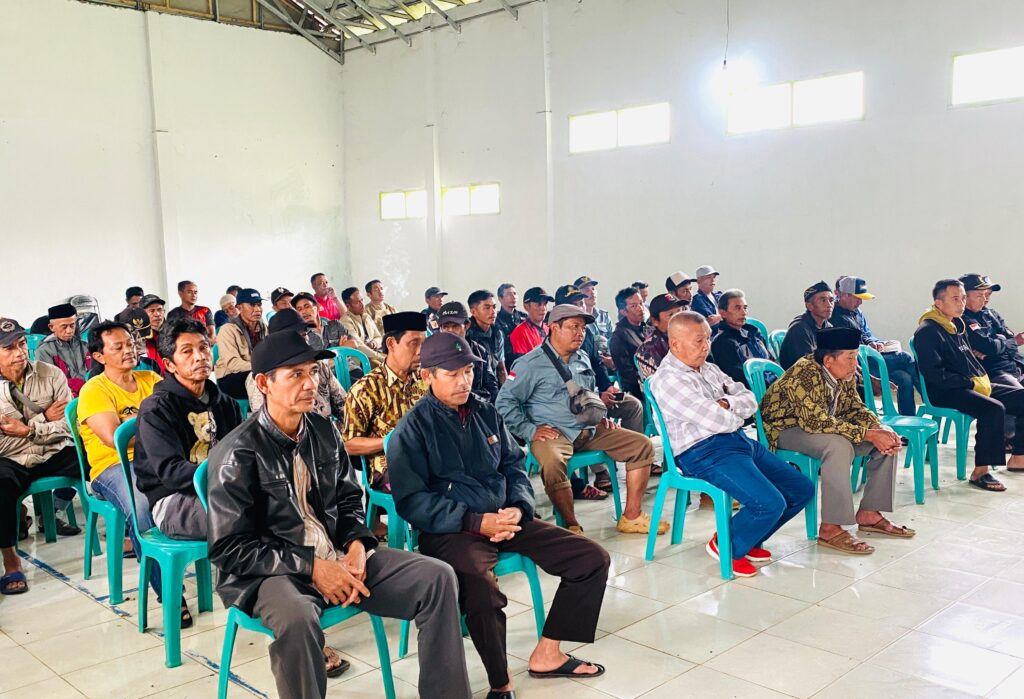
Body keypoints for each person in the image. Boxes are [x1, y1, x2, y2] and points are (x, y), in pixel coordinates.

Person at [206, 331, 471, 699]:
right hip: (272, 573)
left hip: (337, 554)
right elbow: (230, 548)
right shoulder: (236, 453)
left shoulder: (323, 430)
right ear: (264, 384)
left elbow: (348, 501)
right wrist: (312, 567)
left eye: (312, 372)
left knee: (437, 578)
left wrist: (358, 544)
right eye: (295, 374)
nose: (310, 384)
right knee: (297, 619)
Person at [388, 332, 610, 696]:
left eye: (468, 372)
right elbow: (412, 500)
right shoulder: (411, 429)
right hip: (452, 530)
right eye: (452, 374)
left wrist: (518, 509)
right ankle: (500, 681)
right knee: (481, 590)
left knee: (591, 558)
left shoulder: (485, 411)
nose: (464, 381)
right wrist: (476, 522)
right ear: (427, 376)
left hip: (505, 518)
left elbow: (512, 466)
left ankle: (548, 653)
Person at [650, 312, 814, 577]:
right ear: (675, 344)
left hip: (737, 441)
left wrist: (727, 403)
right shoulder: (669, 380)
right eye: (699, 340)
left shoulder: (709, 368)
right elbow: (717, 420)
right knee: (769, 503)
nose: (706, 346)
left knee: (800, 489)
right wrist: (734, 413)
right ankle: (729, 545)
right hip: (702, 452)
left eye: (708, 339)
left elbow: (749, 399)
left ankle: (746, 539)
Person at [496, 304, 665, 536]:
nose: (580, 333)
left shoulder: (582, 357)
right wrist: (530, 430)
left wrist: (599, 416)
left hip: (588, 429)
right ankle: (571, 525)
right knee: (553, 463)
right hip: (554, 433)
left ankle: (631, 516)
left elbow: (587, 394)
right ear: (554, 328)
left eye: (583, 328)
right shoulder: (530, 364)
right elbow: (504, 402)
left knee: (642, 445)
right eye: (574, 327)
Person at [761, 327, 911, 555]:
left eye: (856, 356)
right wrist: (868, 433)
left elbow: (854, 408)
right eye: (850, 357)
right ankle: (830, 527)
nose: (855, 363)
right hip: (786, 428)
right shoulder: (804, 373)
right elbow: (814, 422)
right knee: (838, 446)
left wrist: (878, 428)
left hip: (822, 425)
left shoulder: (843, 373)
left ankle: (870, 513)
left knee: (885, 439)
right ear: (828, 360)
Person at [77, 322, 179, 614]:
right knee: (143, 503)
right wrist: (158, 427)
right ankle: (168, 592)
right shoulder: (94, 390)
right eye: (118, 347)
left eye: (131, 343)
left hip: (156, 457)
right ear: (99, 356)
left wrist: (148, 428)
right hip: (114, 466)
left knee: (203, 484)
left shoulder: (150, 378)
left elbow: (178, 416)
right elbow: (115, 438)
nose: (129, 350)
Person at [135, 318, 242, 541]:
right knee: (250, 516)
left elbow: (243, 451)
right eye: (187, 351)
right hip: (173, 500)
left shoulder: (226, 403)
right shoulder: (156, 409)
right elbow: (172, 473)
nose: (200, 356)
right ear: (170, 365)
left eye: (204, 347)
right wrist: (230, 475)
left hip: (224, 489)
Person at [914, 279, 1024, 492]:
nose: (961, 303)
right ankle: (980, 472)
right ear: (938, 303)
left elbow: (967, 360)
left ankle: (1019, 456)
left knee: (1021, 397)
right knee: (992, 408)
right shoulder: (928, 331)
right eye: (955, 299)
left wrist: (977, 378)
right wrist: (969, 382)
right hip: (945, 391)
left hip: (968, 383)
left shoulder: (957, 324)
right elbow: (935, 374)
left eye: (963, 298)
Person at [0, 319, 81, 595]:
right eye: (9, 348)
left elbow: (69, 425)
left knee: (94, 458)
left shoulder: (51, 374)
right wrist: (45, 418)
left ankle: (128, 531)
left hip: (52, 451)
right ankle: (11, 560)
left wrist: (28, 429)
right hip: (12, 459)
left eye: (22, 344)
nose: (19, 353)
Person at [558, 285, 647, 493]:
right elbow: (566, 387)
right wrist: (597, 397)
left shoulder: (586, 333)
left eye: (581, 303)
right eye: (574, 305)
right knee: (591, 413)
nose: (580, 308)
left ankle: (633, 460)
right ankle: (601, 471)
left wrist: (607, 387)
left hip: (596, 395)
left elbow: (597, 365)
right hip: (575, 406)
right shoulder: (553, 345)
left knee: (633, 406)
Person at [342, 312, 427, 494]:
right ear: (391, 344)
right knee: (424, 487)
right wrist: (391, 441)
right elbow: (349, 444)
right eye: (414, 343)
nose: (421, 351)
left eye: (424, 343)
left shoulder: (426, 380)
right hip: (390, 467)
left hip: (429, 456)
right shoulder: (366, 389)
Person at [831, 276, 920, 416]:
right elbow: (846, 349)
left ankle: (908, 421)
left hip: (870, 361)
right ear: (844, 295)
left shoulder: (857, 312)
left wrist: (873, 343)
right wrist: (866, 347)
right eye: (857, 298)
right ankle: (931, 397)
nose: (860, 302)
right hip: (859, 367)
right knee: (904, 358)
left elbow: (866, 334)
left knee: (904, 378)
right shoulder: (834, 316)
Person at [247, 310, 347, 421]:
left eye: (304, 334)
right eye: (296, 374)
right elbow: (266, 423)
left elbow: (344, 406)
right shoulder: (265, 378)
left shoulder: (319, 366)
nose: (311, 384)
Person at [960, 273, 1024, 389]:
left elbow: (1009, 336)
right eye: (980, 295)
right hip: (997, 372)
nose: (985, 299)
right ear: (964, 297)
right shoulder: (962, 320)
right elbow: (990, 347)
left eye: (988, 294)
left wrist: (999, 343)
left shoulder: (989, 313)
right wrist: (1010, 342)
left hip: (1016, 364)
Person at [437, 302, 499, 403]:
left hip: (476, 408)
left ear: (467, 325)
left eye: (456, 326)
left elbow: (492, 388)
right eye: (445, 327)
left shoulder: (479, 351)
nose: (450, 331)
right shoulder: (433, 353)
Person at [710, 289, 773, 388]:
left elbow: (772, 361)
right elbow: (739, 379)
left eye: (745, 308)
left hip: (777, 384)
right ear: (723, 313)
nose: (744, 312)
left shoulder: (753, 333)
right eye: (737, 308)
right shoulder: (722, 343)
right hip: (761, 390)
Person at [215, 288, 267, 399]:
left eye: (259, 304)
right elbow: (233, 364)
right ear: (239, 308)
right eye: (252, 305)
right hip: (231, 377)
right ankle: (260, 411)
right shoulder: (227, 329)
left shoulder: (263, 327)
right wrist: (261, 367)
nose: (257, 309)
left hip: (258, 370)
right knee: (260, 380)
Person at [35, 303, 91, 396]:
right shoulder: (44, 351)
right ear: (51, 327)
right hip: (65, 396)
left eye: (72, 325)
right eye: (64, 327)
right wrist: (79, 385)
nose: (69, 331)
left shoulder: (85, 345)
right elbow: (50, 383)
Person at [778, 281, 834, 370]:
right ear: (809, 306)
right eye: (823, 300)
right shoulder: (799, 328)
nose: (829, 305)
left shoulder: (829, 328)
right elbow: (807, 366)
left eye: (831, 300)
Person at [609, 287, 650, 401]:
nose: (640, 308)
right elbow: (627, 374)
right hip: (640, 388)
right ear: (623, 311)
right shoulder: (619, 337)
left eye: (641, 303)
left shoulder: (648, 328)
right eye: (634, 306)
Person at [637, 294, 686, 380]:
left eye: (680, 312)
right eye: (671, 315)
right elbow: (660, 383)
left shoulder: (690, 336)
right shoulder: (648, 349)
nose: (679, 318)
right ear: (655, 321)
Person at [466, 289, 508, 384]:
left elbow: (501, 369)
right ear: (473, 312)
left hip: (493, 386)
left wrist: (506, 391)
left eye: (494, 307)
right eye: (487, 308)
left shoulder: (497, 333)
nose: (493, 312)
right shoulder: (466, 334)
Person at [340, 286, 385, 362]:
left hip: (376, 353)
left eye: (362, 300)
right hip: (361, 360)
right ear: (348, 306)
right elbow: (359, 346)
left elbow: (379, 337)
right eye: (357, 302)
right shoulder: (345, 321)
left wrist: (373, 343)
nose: (362, 304)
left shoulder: (366, 316)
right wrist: (381, 357)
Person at [508, 287, 553, 358]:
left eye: (545, 304)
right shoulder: (520, 333)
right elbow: (521, 362)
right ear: (526, 306)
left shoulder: (549, 329)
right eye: (538, 304)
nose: (543, 308)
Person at [495, 283, 527, 369]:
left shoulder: (524, 317)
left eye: (515, 294)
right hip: (506, 363)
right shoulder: (495, 320)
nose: (514, 297)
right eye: (509, 294)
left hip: (525, 361)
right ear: (500, 298)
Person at [576, 276, 613, 345]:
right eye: (587, 290)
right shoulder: (577, 318)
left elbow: (614, 338)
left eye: (593, 289)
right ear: (579, 296)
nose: (592, 292)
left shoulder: (604, 315)